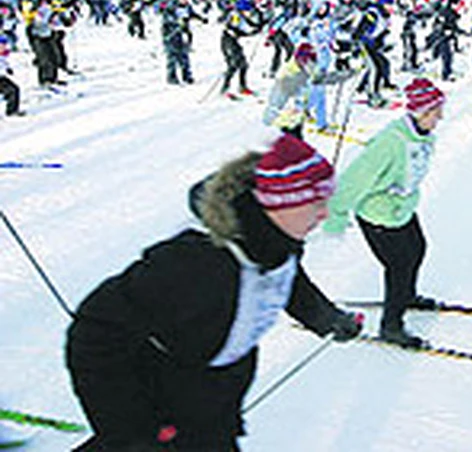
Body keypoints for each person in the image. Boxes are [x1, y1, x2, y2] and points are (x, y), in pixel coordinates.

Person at [66, 134, 363, 451]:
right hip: (160, 407)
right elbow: (95, 332)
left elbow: (288, 284)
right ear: (279, 204)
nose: (325, 215)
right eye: (315, 204)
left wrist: (327, 319)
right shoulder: (196, 264)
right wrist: (131, 431)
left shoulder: (275, 247)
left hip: (211, 404)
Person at [322, 78, 445, 348]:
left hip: (401, 209)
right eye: (436, 112)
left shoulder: (422, 135)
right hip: (378, 215)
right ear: (420, 112)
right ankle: (391, 325)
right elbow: (353, 180)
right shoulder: (390, 142)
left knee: (418, 248)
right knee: (399, 266)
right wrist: (336, 216)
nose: (440, 117)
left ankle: (407, 296)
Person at [0, 34, 24, 117]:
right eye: (1, 45)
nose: (3, 47)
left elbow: (3, 63)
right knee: (12, 90)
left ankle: (12, 110)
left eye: (4, 45)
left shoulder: (3, 55)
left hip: (2, 78)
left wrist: (8, 69)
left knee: (14, 89)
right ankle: (11, 111)